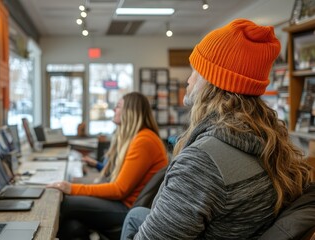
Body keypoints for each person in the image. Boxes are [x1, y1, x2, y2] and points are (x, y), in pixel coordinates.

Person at [121, 18, 313, 239]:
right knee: (136, 214)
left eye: (196, 70)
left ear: (214, 81)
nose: (188, 80)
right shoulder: (269, 142)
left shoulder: (201, 162)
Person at [47, 92, 169, 239]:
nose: (113, 110)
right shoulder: (138, 137)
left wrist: (71, 188)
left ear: (130, 112)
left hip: (128, 209)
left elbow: (119, 190)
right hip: (123, 204)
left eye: (118, 107)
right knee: (72, 226)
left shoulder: (144, 140)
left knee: (66, 204)